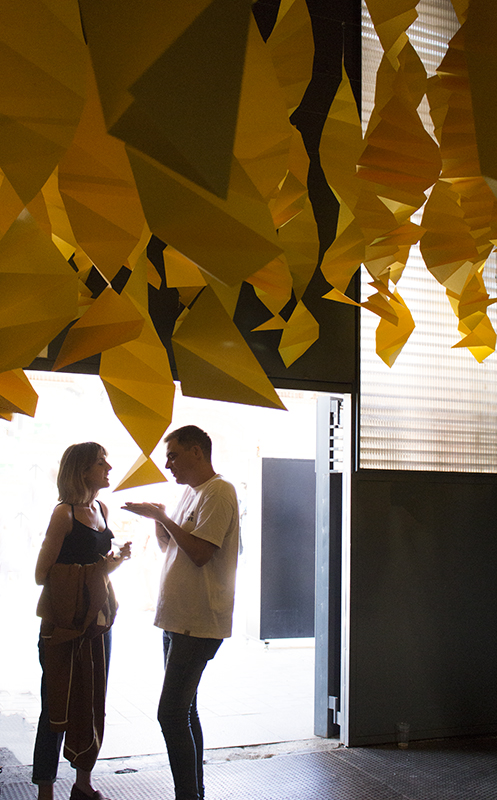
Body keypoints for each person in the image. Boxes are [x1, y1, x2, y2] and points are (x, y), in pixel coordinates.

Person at [123, 425, 239, 800]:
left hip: (198, 623)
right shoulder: (191, 493)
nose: (168, 464)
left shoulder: (219, 491)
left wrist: (164, 519)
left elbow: (201, 553)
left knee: (170, 713)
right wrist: (159, 519)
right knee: (185, 711)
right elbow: (172, 548)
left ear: (196, 452)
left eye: (173, 455)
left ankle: (188, 794)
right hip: (177, 620)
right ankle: (194, 792)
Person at [32, 442, 131, 800]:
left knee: (92, 703)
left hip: (96, 624)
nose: (109, 467)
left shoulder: (101, 509)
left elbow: (98, 569)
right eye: (101, 462)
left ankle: (83, 783)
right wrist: (98, 569)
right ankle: (45, 790)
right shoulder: (64, 514)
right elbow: (42, 574)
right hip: (63, 627)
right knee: (56, 706)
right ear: (82, 470)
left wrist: (115, 561)